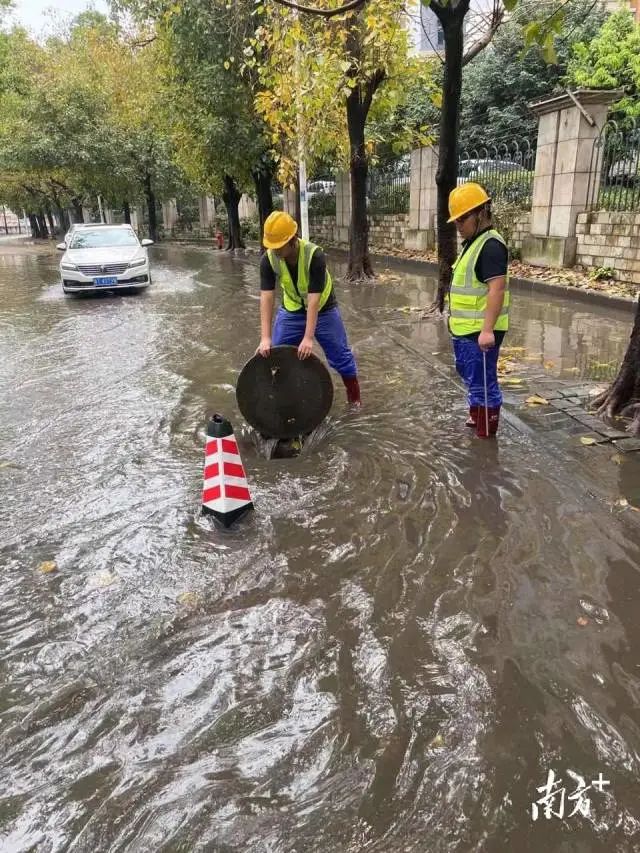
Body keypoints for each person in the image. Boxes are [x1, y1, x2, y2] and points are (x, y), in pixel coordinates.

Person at [256, 211, 361, 407]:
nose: (275, 251)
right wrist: (265, 338)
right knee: (276, 355)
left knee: (340, 356)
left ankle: (354, 400)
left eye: (279, 246)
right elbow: (266, 297)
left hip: (323, 308)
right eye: (272, 246)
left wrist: (308, 337)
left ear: (293, 239)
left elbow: (314, 299)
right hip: (292, 309)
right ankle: (288, 400)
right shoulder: (268, 260)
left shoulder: (315, 256)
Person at [446, 182, 510, 438]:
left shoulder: (491, 246)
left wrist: (487, 331)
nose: (458, 225)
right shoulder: (473, 242)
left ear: (481, 213)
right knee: (471, 375)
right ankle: (476, 415)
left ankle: (486, 432)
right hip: (466, 330)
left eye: (463, 219)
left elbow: (497, 289)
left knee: (484, 382)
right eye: (456, 220)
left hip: (479, 332)